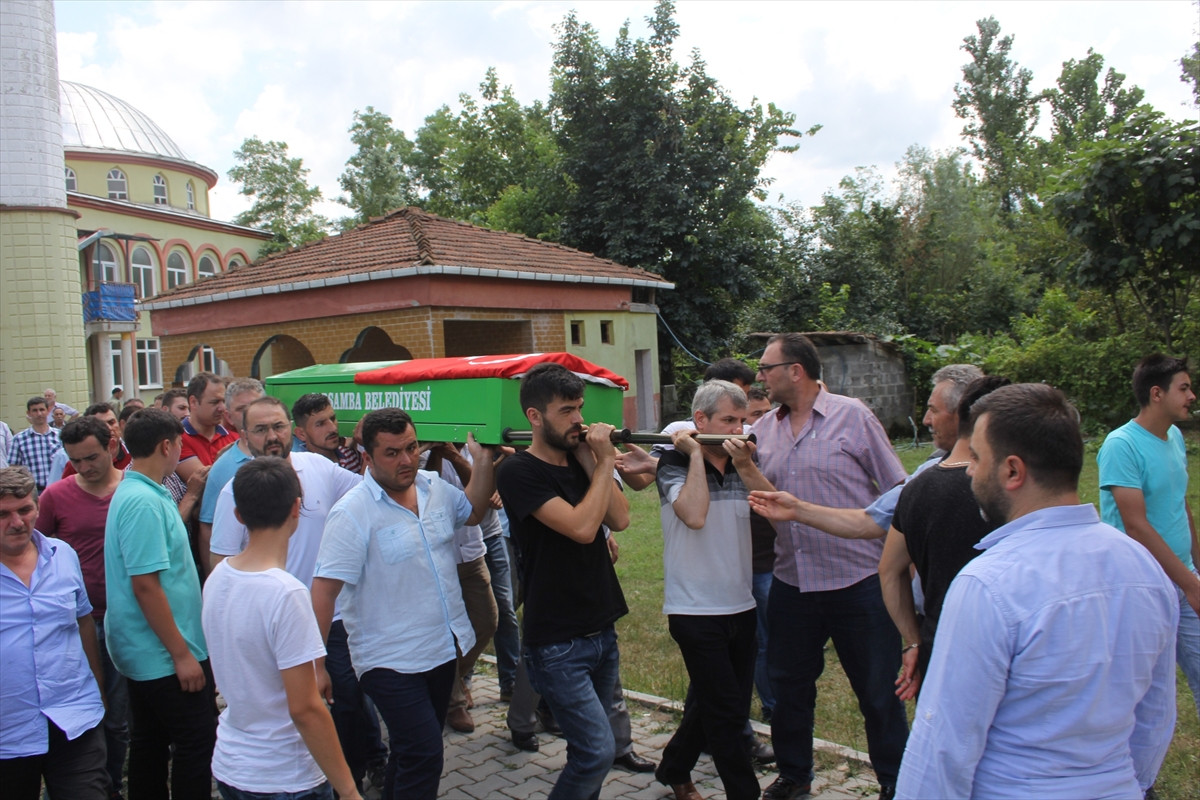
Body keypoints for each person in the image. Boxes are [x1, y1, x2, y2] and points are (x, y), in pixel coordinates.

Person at [896, 383, 1178, 799]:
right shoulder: (1144, 568)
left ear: (1012, 471)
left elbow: (943, 746)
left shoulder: (988, 584)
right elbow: (1155, 718)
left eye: (977, 457)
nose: (969, 471)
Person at [750, 333, 909, 800]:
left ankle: (894, 782)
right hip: (792, 582)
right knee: (788, 688)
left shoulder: (853, 416)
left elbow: (900, 489)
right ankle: (794, 775)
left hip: (858, 582)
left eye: (766, 367)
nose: (760, 376)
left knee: (878, 692)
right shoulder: (764, 429)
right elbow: (735, 471)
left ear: (795, 371)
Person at [311, 408, 495, 800]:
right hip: (388, 660)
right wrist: (317, 665)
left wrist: (482, 462)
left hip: (441, 650)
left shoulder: (434, 488)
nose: (407, 459)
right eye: (392, 453)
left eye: (411, 448)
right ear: (367, 457)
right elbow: (324, 591)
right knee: (425, 753)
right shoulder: (352, 512)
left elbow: (474, 512)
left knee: (410, 752)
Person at [496, 362, 630, 800]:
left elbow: (620, 519)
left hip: (600, 625)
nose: (578, 419)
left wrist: (592, 460)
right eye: (566, 411)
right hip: (557, 641)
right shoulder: (519, 472)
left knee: (586, 752)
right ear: (535, 417)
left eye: (580, 408)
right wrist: (604, 462)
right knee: (596, 752)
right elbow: (582, 528)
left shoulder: (580, 459)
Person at [202, 458, 361, 800]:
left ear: (238, 515)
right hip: (284, 775)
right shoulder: (286, 593)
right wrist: (349, 790)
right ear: (295, 509)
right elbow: (305, 708)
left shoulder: (217, 578)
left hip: (231, 765)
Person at [653, 381, 774, 800]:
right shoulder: (671, 462)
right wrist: (694, 456)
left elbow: (778, 508)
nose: (738, 430)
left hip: (741, 604)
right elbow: (694, 515)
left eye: (742, 421)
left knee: (718, 703)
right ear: (700, 420)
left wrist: (746, 465)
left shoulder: (743, 464)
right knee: (726, 715)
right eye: (728, 421)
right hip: (694, 610)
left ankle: (674, 768)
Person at [104, 409, 216, 799]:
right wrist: (181, 655)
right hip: (163, 653)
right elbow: (146, 586)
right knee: (196, 740)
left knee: (151, 740)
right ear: (166, 446)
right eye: (180, 445)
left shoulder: (147, 491)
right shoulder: (142, 502)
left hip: (154, 648)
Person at [877, 376, 1008, 700]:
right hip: (1008, 643)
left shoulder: (918, 487)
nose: (926, 419)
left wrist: (912, 640)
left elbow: (889, 570)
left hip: (939, 641)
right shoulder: (1010, 486)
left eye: (933, 410)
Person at [1099, 354, 1199, 718]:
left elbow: (1180, 505)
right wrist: (1189, 583)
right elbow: (1136, 526)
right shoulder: (1121, 445)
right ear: (1157, 393)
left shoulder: (1174, 438)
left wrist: (1195, 570)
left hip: (1184, 576)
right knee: (1145, 694)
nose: (1192, 396)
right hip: (1143, 584)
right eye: (1184, 388)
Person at [0, 466, 108, 798]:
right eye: (3, 514)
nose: (17, 522)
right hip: (8, 731)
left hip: (73, 717)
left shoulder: (63, 555)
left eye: (24, 510)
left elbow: (83, 621)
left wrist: (97, 688)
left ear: (37, 507)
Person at [36, 417, 129, 795]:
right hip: (77, 622)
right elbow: (35, 551)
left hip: (127, 618)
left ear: (111, 447)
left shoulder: (132, 490)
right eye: (76, 461)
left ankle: (111, 783)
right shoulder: (55, 496)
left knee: (119, 717)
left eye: (92, 457)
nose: (85, 467)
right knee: (87, 711)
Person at [425, 443, 498, 735]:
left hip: (470, 551)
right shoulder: (420, 452)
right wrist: (435, 453)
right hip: (436, 556)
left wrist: (453, 455)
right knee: (441, 632)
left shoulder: (472, 449)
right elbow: (424, 493)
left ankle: (447, 681)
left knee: (487, 621)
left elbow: (482, 495)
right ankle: (453, 701)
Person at [196, 378, 265, 570]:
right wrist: (214, 577)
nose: (249, 413)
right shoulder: (222, 468)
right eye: (241, 409)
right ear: (228, 416)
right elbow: (208, 527)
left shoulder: (293, 452)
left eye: (255, 405)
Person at [176, 372, 237, 482]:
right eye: (215, 402)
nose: (222, 408)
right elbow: (206, 483)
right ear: (193, 402)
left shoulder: (234, 438)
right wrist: (222, 461)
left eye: (223, 401)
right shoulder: (178, 439)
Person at [291, 393, 364, 473]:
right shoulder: (298, 470)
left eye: (333, 419)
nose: (333, 428)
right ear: (301, 434)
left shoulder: (351, 456)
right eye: (320, 424)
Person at [8, 396, 62, 492]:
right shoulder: (19, 439)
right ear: (29, 413)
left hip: (58, 488)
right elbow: (13, 469)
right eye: (35, 410)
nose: (39, 414)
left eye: (42, 410)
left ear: (48, 411)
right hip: (33, 490)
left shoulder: (60, 436)